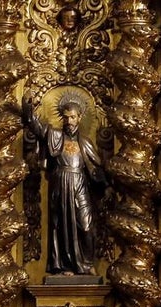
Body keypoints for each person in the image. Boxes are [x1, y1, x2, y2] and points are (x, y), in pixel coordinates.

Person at [22, 91, 104, 276]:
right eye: (66, 118)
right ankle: (65, 266)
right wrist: (28, 110)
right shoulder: (55, 136)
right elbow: (37, 128)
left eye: (73, 117)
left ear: (80, 117)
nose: (69, 122)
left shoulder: (85, 142)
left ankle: (87, 262)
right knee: (62, 226)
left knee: (86, 225)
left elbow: (94, 167)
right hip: (60, 185)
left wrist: (104, 183)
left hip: (80, 185)